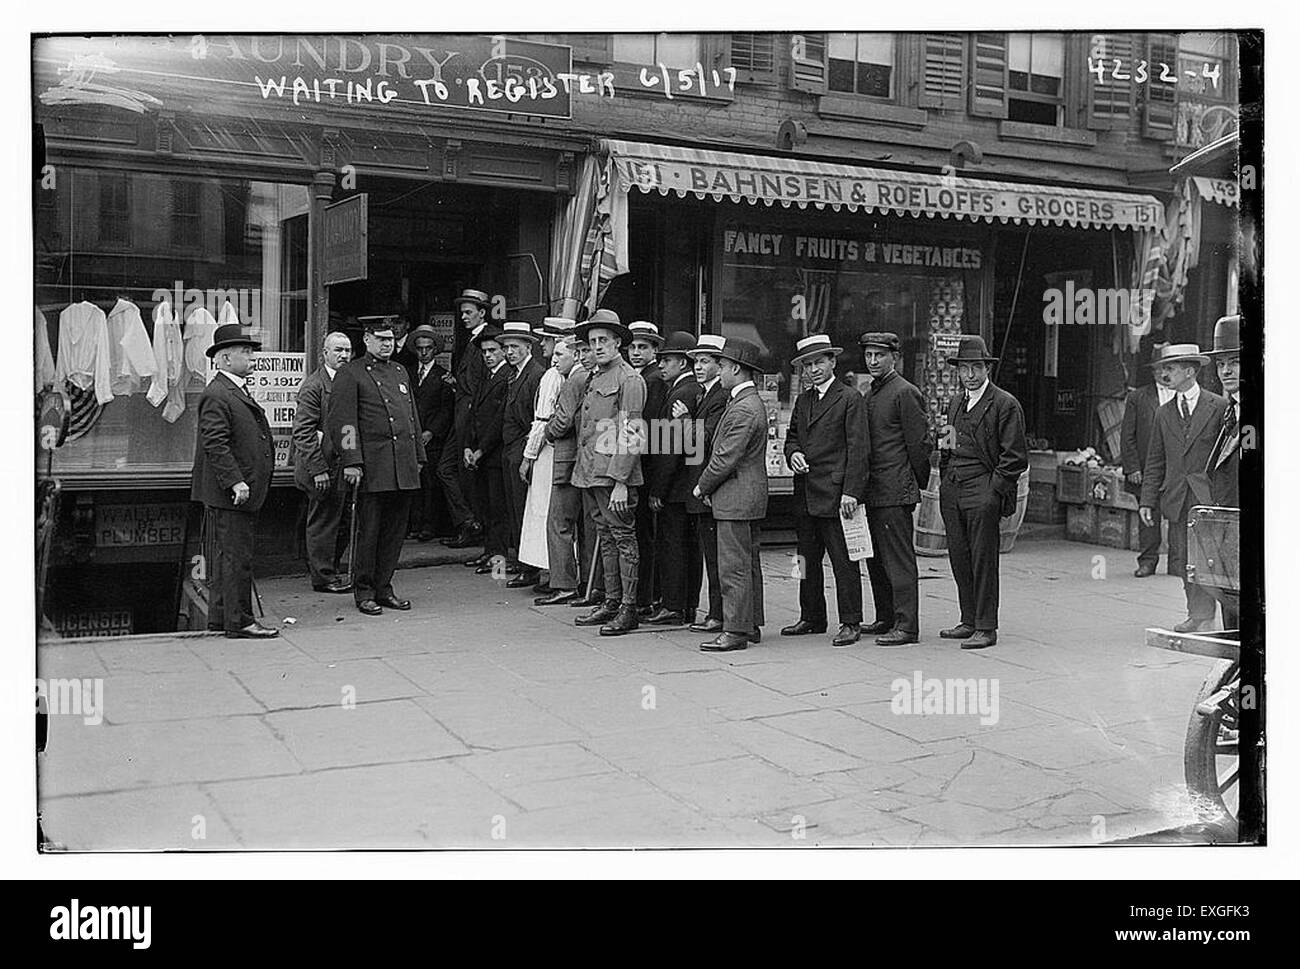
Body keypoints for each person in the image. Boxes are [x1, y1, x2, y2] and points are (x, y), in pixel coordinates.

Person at [327, 319, 425, 615]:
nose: (387, 344)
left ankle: (384, 587)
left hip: (402, 464)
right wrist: (351, 461)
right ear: (367, 339)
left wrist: (418, 456)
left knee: (394, 532)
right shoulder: (351, 372)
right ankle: (364, 590)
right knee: (369, 532)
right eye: (381, 339)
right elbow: (343, 423)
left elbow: (411, 418)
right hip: (372, 465)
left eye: (391, 339)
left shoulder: (399, 371)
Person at [937, 335, 1028, 650]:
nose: (970, 374)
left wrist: (994, 492)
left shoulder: (1004, 403)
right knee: (959, 557)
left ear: (986, 369)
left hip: (983, 487)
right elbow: (947, 443)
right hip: (953, 488)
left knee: (983, 559)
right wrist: (944, 477)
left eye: (976, 367)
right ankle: (969, 619)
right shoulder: (955, 403)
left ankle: (986, 626)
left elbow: (1015, 457)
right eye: (964, 368)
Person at [781, 333, 869, 648]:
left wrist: (851, 492)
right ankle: (811, 616)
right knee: (804, 560)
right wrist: (793, 453)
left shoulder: (849, 398)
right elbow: (791, 437)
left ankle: (850, 621)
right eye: (808, 364)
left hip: (835, 494)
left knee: (844, 562)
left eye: (820, 362)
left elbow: (858, 449)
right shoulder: (803, 400)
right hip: (805, 491)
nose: (814, 369)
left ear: (833, 362)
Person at [191, 323, 278, 638]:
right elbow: (215, 443)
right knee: (236, 557)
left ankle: (221, 617)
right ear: (225, 359)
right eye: (245, 352)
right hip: (233, 492)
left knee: (228, 555)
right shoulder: (218, 393)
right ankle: (240, 622)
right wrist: (235, 482)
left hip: (239, 489)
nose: (252, 357)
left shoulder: (231, 389)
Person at [1140, 342, 1228, 633]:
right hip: (1177, 498)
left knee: (1210, 558)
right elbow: (1155, 461)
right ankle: (1198, 613)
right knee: (1182, 559)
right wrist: (1146, 501)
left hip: (1208, 497)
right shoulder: (1163, 413)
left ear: (1190, 371)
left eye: (1172, 368)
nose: (1166, 373)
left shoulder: (1219, 407)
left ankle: (1211, 614)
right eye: (1165, 368)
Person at [571, 309, 647, 636]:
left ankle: (629, 607)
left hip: (613, 476)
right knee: (606, 539)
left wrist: (620, 482)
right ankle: (612, 600)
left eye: (604, 340)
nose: (598, 346)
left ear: (618, 343)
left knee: (623, 539)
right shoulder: (596, 377)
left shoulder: (629, 380)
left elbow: (632, 433)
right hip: (590, 472)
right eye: (593, 341)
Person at [693, 337, 769, 652]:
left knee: (733, 565)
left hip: (736, 496)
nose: (719, 371)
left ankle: (735, 630)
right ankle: (749, 624)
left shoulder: (743, 407)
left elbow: (725, 457)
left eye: (722, 365)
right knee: (747, 562)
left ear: (735, 368)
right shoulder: (745, 402)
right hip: (745, 495)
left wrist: (702, 486)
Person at [859, 332, 932, 646]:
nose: (873, 361)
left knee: (898, 560)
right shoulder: (870, 392)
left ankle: (906, 625)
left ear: (895, 358)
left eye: (880, 355)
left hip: (895, 489)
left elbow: (919, 445)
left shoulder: (905, 392)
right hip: (874, 489)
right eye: (869, 355)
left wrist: (915, 485)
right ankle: (886, 617)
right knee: (875, 559)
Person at [642, 331, 703, 626]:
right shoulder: (694, 390)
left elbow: (669, 448)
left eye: (666, 360)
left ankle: (672, 605)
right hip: (689, 484)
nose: (661, 365)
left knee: (673, 546)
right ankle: (687, 604)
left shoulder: (680, 393)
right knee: (690, 547)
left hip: (676, 485)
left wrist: (657, 489)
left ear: (682, 362)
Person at [539, 332, 604, 608]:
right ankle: (589, 585)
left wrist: (548, 432)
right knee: (587, 527)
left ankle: (564, 584)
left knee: (559, 523)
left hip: (567, 462)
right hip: (586, 463)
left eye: (583, 350)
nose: (584, 355)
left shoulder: (576, 379)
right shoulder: (591, 377)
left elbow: (562, 421)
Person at [291, 330, 353, 593]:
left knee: (341, 522)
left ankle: (330, 569)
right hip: (322, 468)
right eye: (338, 350)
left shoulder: (347, 382)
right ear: (324, 353)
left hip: (341, 467)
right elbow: (302, 432)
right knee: (323, 523)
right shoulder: (314, 386)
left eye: (348, 350)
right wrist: (318, 469)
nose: (344, 355)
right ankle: (323, 577)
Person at [520, 323, 576, 592]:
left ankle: (548, 569)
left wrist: (529, 454)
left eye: (547, 341)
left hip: (547, 449)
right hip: (559, 450)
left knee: (544, 509)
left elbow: (543, 420)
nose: (544, 346)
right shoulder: (566, 373)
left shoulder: (552, 376)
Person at [683, 334, 729, 634]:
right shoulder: (704, 393)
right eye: (696, 362)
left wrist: (686, 420)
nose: (698, 367)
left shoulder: (720, 396)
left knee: (715, 556)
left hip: (709, 484)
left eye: (705, 361)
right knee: (709, 552)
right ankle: (715, 611)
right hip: (700, 481)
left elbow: (706, 438)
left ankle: (718, 613)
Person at [440, 289, 491, 549]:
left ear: (482, 313)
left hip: (468, 418)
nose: (463, 317)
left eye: (468, 312)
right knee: (447, 469)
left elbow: (480, 385)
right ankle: (469, 522)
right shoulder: (470, 339)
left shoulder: (485, 340)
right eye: (462, 312)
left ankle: (472, 525)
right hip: (460, 415)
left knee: (459, 471)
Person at [1121, 336, 1173, 577]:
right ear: (1153, 371)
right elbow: (1127, 435)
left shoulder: (1183, 397)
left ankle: (1177, 563)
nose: (1164, 373)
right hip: (1146, 467)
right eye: (1160, 368)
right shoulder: (1138, 398)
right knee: (1148, 514)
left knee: (1178, 516)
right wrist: (1132, 467)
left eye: (1168, 368)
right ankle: (1148, 561)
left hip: (1176, 469)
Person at [499, 320, 546, 588]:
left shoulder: (535, 374)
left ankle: (529, 569)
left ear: (528, 346)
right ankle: (522, 562)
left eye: (515, 347)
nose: (509, 352)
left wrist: (527, 454)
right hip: (511, 448)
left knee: (523, 509)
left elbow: (535, 419)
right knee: (514, 509)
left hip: (522, 448)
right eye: (507, 347)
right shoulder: (514, 373)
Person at [1202, 315, 1242, 629]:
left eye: (1235, 362)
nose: (1226, 371)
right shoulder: (1229, 411)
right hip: (1226, 534)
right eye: (1221, 364)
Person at [463, 326, 511, 574]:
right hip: (480, 453)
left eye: (493, 350)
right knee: (484, 506)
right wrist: (468, 446)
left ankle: (498, 559)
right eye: (484, 352)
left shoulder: (506, 377)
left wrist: (481, 449)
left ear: (503, 351)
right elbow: (474, 415)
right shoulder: (486, 377)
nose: (488, 355)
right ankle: (488, 553)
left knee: (497, 509)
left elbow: (498, 420)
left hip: (494, 454)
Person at [627, 321, 667, 616]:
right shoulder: (639, 376)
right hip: (640, 464)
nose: (636, 352)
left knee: (644, 535)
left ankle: (647, 596)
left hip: (645, 466)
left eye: (643, 347)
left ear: (655, 350)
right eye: (633, 347)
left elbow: (645, 427)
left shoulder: (652, 380)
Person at [409, 325, 455, 541]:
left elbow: (447, 410)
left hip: (432, 439)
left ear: (435, 350)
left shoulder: (444, 376)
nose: (424, 352)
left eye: (428, 348)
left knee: (430, 482)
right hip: (410, 436)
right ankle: (414, 524)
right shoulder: (407, 374)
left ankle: (429, 525)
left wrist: (431, 432)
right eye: (420, 348)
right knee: (412, 482)